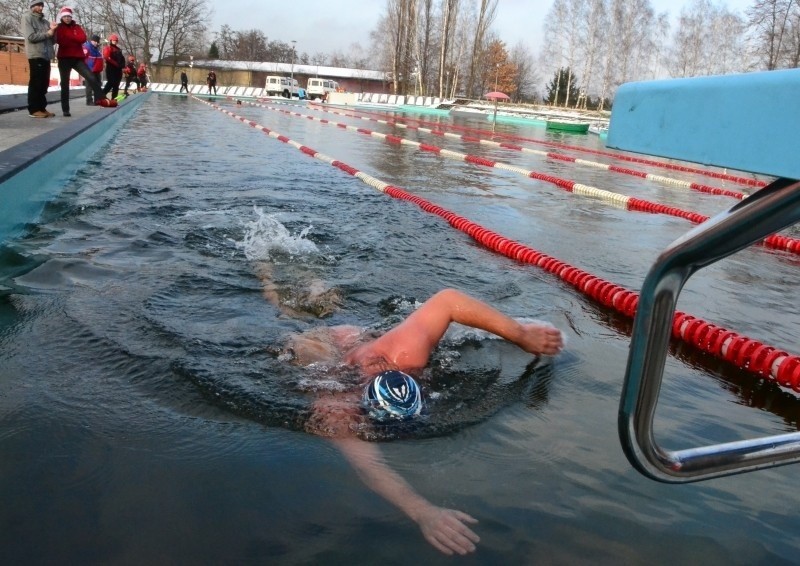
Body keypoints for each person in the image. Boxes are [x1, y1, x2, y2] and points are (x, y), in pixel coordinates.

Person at [274, 286, 564, 555]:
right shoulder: (336, 406)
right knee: (288, 315)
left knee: (325, 299)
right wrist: (421, 511)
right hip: (320, 346)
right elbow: (368, 466)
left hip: (358, 336)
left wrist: (521, 335)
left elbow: (448, 300)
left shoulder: (406, 355)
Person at [52, 6, 109, 116]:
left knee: (91, 77)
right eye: (65, 17)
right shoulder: (59, 28)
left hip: (77, 58)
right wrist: (74, 38)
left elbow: (82, 38)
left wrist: (70, 38)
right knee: (64, 84)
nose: (67, 18)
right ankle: (65, 109)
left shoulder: (77, 26)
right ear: (62, 18)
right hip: (64, 58)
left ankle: (102, 98)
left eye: (69, 16)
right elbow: (61, 41)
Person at [20, 1, 56, 118]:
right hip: (36, 54)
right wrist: (48, 33)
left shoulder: (45, 22)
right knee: (36, 82)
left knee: (44, 83)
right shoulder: (27, 18)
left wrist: (54, 30)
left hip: (46, 55)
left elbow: (52, 40)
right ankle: (34, 109)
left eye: (42, 6)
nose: (40, 8)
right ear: (32, 6)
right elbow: (30, 37)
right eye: (38, 5)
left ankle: (42, 107)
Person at [101, 33, 125, 100]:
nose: (115, 42)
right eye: (114, 40)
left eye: (116, 41)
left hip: (118, 69)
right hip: (111, 68)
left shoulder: (118, 49)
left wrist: (122, 65)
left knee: (116, 85)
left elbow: (122, 59)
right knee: (111, 82)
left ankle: (114, 98)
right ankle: (101, 96)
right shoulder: (108, 48)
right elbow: (106, 57)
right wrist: (116, 64)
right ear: (111, 40)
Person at [82, 33, 103, 105]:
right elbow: (83, 58)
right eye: (96, 42)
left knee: (98, 85)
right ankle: (89, 100)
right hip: (89, 70)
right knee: (89, 86)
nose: (97, 43)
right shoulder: (87, 47)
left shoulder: (96, 49)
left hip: (97, 70)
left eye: (98, 42)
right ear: (93, 41)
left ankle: (97, 100)